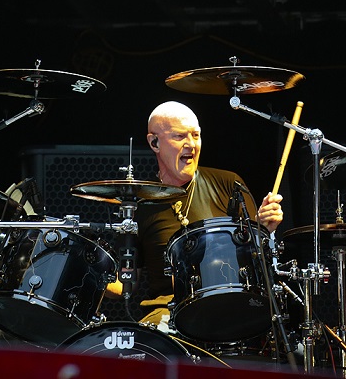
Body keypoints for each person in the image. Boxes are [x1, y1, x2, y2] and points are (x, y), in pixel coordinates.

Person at [107, 100, 283, 328]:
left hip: (229, 306)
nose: (191, 144)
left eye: (196, 135)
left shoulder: (228, 184)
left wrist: (263, 229)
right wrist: (86, 273)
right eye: (180, 136)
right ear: (154, 142)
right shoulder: (140, 204)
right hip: (166, 315)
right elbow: (125, 283)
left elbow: (257, 267)